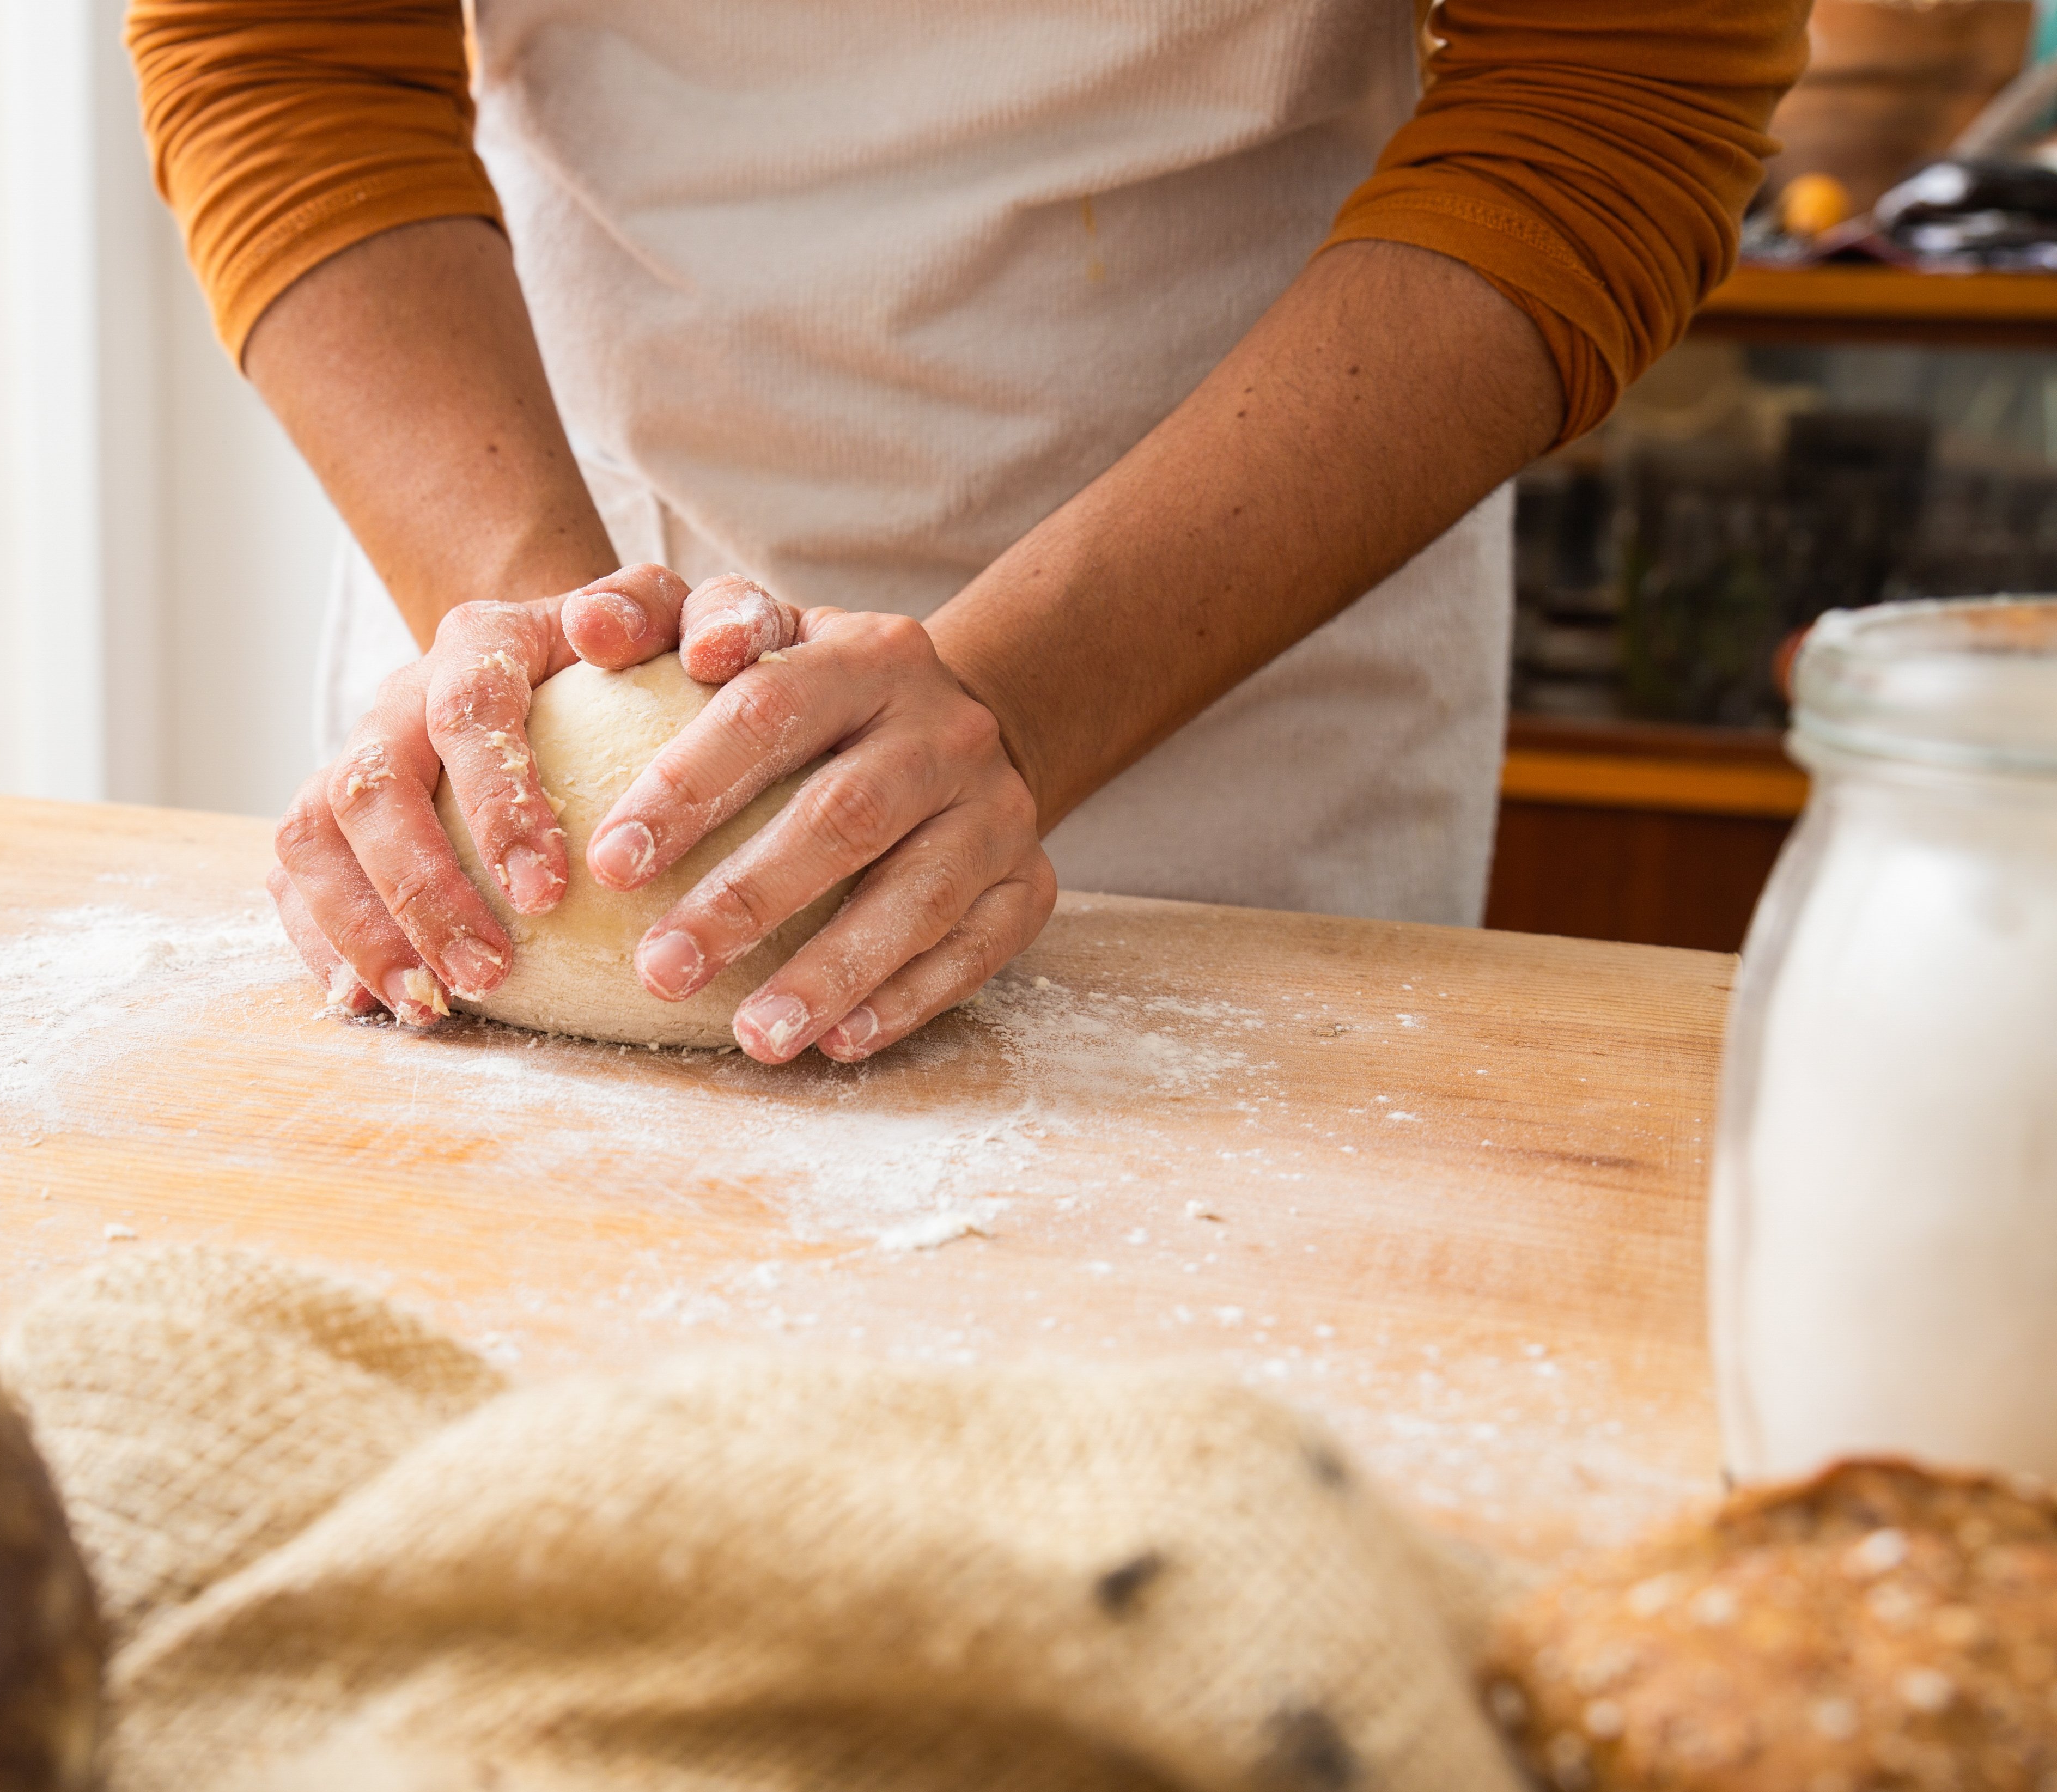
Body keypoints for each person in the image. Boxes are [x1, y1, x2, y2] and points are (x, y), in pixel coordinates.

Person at [129, 0, 1804, 1063]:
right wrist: (558, 656)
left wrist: (1025, 698)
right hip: (540, 487)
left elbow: (1611, 95)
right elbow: (284, 50)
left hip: (1241, 603)